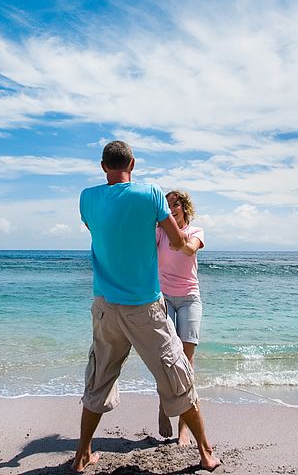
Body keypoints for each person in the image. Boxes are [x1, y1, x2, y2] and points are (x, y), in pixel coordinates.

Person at [73, 141, 220, 473]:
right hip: (145, 308)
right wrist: (181, 241)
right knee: (176, 372)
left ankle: (82, 455)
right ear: (133, 163)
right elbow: (179, 241)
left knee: (99, 376)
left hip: (105, 306)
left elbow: (95, 229)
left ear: (102, 166)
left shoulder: (87, 198)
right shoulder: (151, 194)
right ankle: (206, 452)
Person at [156, 189, 204, 446]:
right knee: (165, 356)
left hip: (189, 299)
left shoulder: (196, 232)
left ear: (184, 208)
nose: (171, 208)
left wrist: (179, 238)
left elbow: (189, 249)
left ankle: (183, 428)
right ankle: (164, 407)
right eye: (167, 205)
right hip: (163, 297)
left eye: (175, 204)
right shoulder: (159, 232)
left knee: (187, 360)